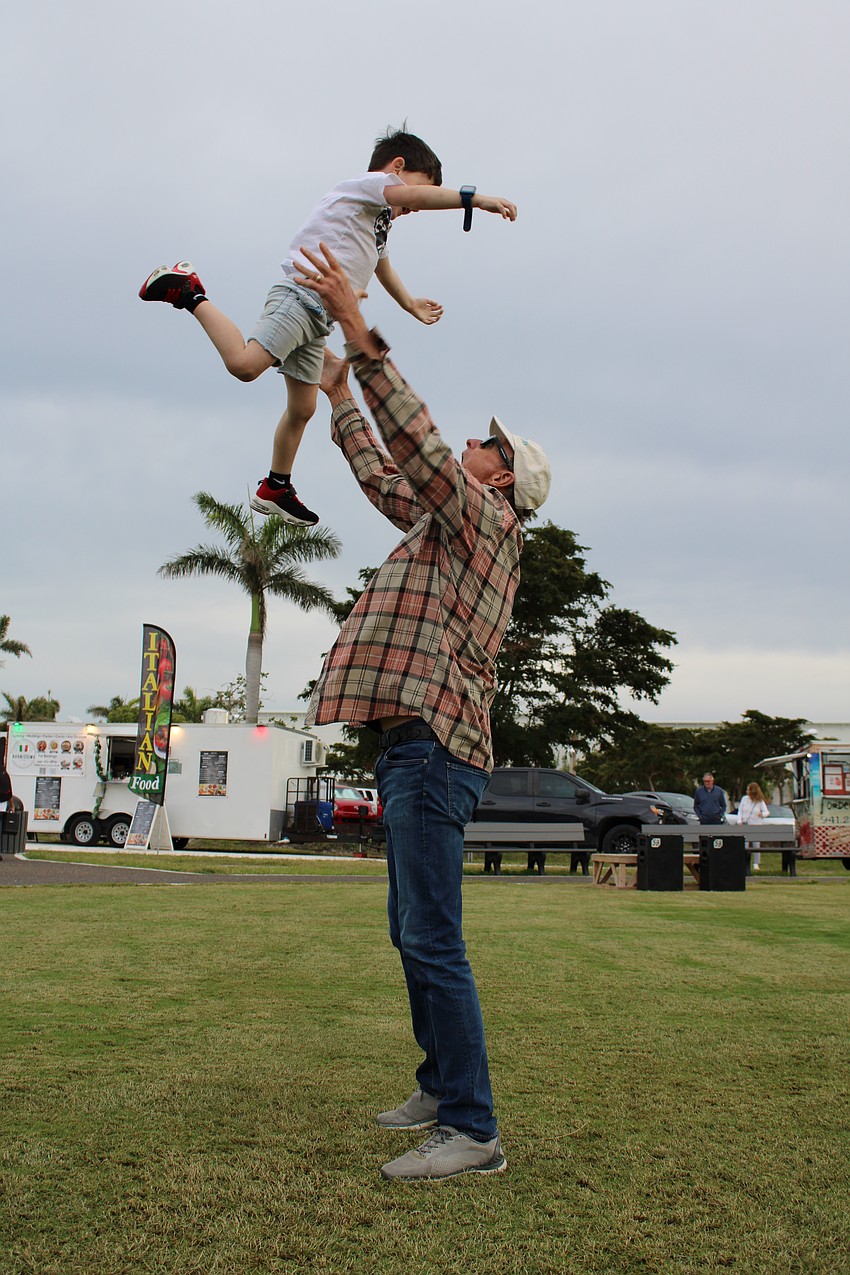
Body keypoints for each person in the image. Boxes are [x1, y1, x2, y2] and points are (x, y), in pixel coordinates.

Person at [301, 242, 551, 1181]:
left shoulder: (485, 523)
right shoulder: (452, 519)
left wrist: (365, 343)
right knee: (413, 930)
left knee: (433, 935)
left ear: (498, 481)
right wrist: (336, 399)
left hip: (436, 749)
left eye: (491, 443)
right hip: (418, 747)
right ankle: (442, 1089)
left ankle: (474, 1128)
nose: (475, 445)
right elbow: (388, 477)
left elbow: (417, 446)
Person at [139, 127, 517, 527]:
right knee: (246, 366)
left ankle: (276, 485)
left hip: (320, 318)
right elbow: (412, 196)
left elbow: (381, 264)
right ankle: (189, 290)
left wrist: (409, 304)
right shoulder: (370, 186)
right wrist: (474, 200)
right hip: (299, 297)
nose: (414, 210)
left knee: (304, 407)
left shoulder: (377, 222)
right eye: (419, 193)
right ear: (398, 168)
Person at [737, 780, 770, 871]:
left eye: (748, 790)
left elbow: (766, 812)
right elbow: (740, 810)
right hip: (745, 824)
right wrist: (739, 820)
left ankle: (756, 864)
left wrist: (762, 815)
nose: (747, 792)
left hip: (756, 825)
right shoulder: (744, 799)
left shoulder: (760, 801)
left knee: (756, 845)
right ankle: (743, 863)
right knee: (745, 844)